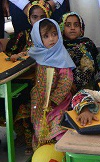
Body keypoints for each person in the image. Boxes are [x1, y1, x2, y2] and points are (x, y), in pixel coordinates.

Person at [28, 19, 75, 149]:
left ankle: (62, 155)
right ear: (38, 39)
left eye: (54, 34)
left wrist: (54, 100)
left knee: (58, 129)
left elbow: (66, 81)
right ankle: (43, 154)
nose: (52, 39)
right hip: (40, 101)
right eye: (46, 36)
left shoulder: (61, 56)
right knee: (40, 127)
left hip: (58, 103)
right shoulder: (36, 53)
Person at [59, 12, 100, 91]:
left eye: (76, 25)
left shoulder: (88, 44)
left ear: (81, 28)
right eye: (68, 25)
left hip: (88, 87)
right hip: (66, 88)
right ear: (62, 27)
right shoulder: (59, 47)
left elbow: (95, 65)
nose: (72, 28)